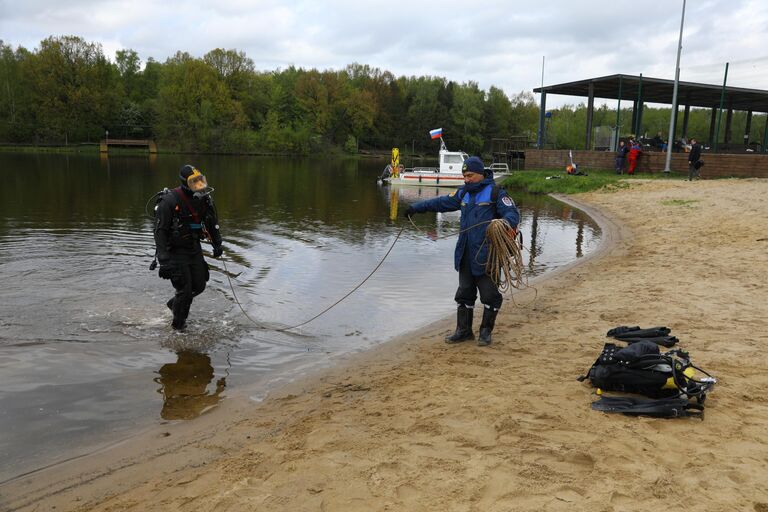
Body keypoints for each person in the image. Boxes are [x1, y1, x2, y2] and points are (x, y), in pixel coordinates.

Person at [404, 156, 520, 347]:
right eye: (464, 175)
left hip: (487, 255)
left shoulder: (496, 193)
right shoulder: (463, 193)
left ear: (481, 174)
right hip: (465, 253)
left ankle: (485, 332)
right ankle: (464, 331)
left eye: (470, 175)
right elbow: (441, 203)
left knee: (489, 295)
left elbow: (512, 214)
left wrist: (504, 222)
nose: (466, 179)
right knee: (464, 293)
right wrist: (415, 208)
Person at [154, 165, 223, 330]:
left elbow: (211, 223)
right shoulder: (169, 201)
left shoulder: (205, 199)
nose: (199, 184)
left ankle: (175, 304)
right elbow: (160, 232)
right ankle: (178, 329)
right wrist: (163, 261)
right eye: (194, 181)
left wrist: (217, 243)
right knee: (185, 291)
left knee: (199, 285)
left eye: (200, 180)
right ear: (185, 182)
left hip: (193, 247)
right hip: (175, 251)